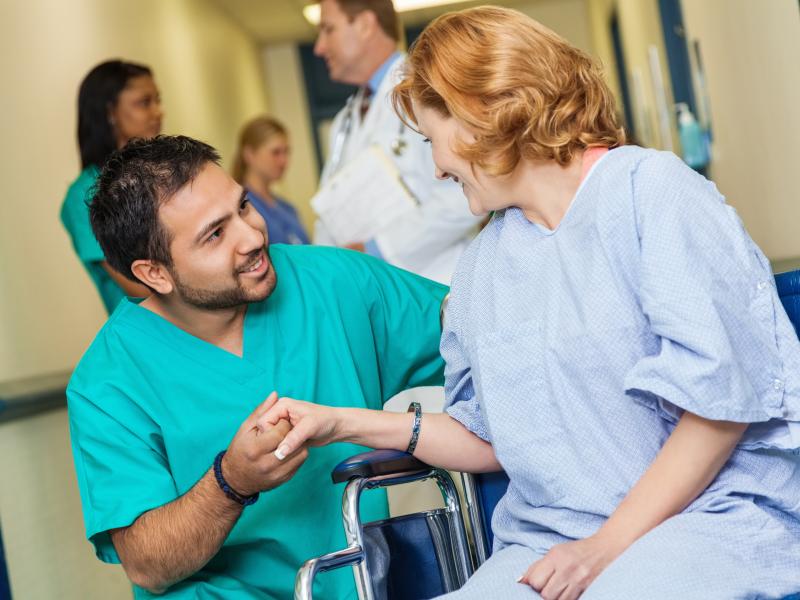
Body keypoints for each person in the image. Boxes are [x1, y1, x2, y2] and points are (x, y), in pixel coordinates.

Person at [257, 7, 800, 599]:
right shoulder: (484, 266)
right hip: (553, 540)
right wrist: (342, 423)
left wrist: (602, 550)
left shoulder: (651, 193)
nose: (436, 166)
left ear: (482, 112)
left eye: (431, 139)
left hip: (709, 518)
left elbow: (718, 408)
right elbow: (489, 438)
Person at [67, 135, 447, 598]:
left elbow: (484, 337)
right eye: (215, 234)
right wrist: (230, 482)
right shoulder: (108, 382)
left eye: (243, 207)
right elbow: (148, 564)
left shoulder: (336, 284)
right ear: (155, 274)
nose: (253, 236)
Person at [313, 0, 479, 284]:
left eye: (328, 30)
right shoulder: (344, 121)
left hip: (437, 284)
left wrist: (376, 248)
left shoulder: (429, 90)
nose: (319, 47)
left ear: (365, 25)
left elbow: (466, 196)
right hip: (371, 287)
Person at [61, 59, 162, 313]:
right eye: (144, 103)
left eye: (158, 101)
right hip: (152, 332)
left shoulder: (163, 170)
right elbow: (139, 289)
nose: (158, 112)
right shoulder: (84, 195)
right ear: (110, 113)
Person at [231, 115, 310, 245]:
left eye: (286, 152)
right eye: (276, 152)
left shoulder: (287, 208)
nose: (284, 161)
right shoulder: (241, 208)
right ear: (249, 154)